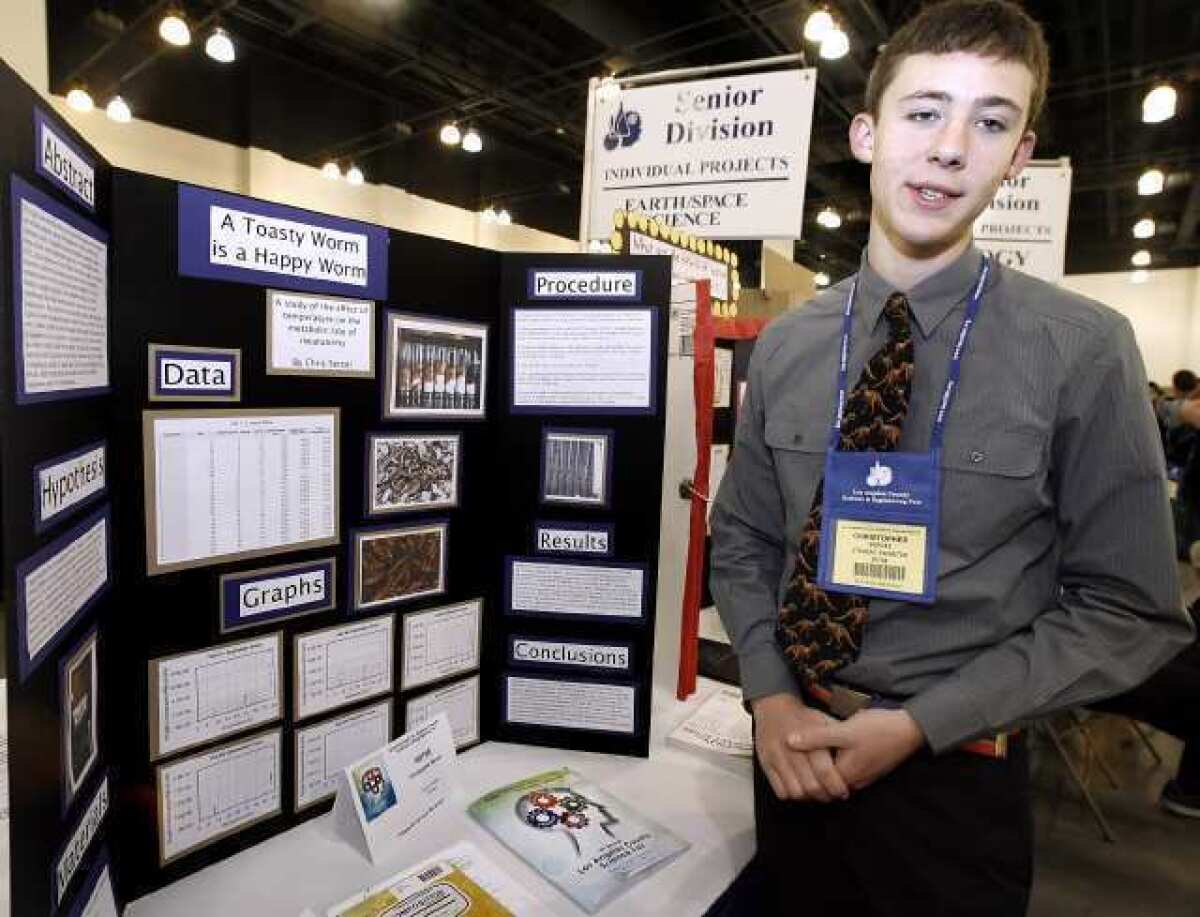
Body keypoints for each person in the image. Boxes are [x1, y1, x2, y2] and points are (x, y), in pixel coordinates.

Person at [709, 2, 1195, 914]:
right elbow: (740, 540)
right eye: (925, 111)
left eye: (991, 122)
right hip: (791, 755)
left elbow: (1130, 609)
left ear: (1019, 157)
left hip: (954, 793)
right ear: (867, 132)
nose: (950, 147)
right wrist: (771, 697)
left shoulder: (1080, 348)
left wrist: (918, 725)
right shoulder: (787, 345)